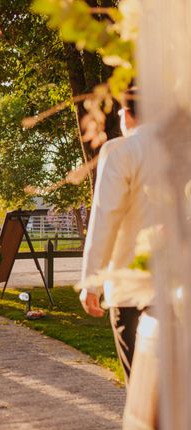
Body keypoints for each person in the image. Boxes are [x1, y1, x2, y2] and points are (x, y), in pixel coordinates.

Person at [79, 88, 155, 383]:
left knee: (140, 389)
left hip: (130, 288)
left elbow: (104, 218)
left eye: (122, 112)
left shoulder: (119, 151)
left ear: (129, 114)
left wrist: (91, 281)